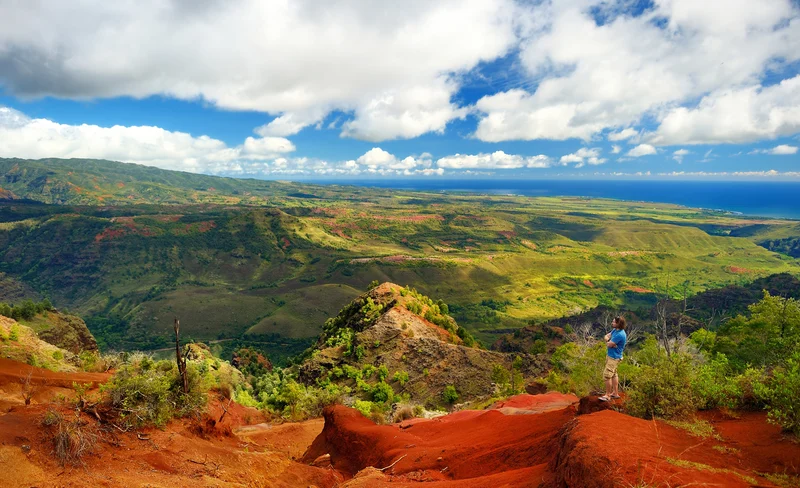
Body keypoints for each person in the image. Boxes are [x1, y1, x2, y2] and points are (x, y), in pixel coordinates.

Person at [599, 316, 627, 402]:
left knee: (607, 375)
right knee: (614, 374)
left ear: (619, 324)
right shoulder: (616, 330)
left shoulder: (620, 334)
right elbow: (606, 336)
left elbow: (608, 344)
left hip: (614, 357)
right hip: (612, 356)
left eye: (614, 322)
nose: (612, 323)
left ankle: (607, 395)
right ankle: (615, 393)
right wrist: (609, 341)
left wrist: (609, 342)